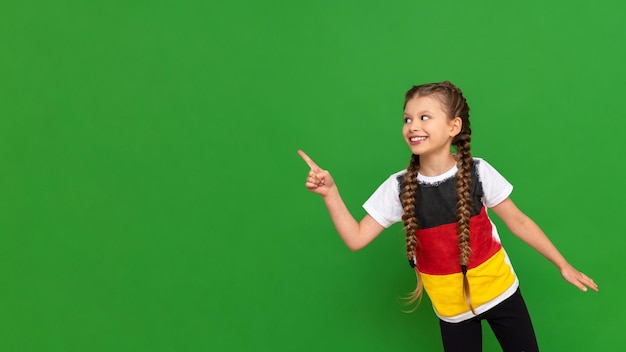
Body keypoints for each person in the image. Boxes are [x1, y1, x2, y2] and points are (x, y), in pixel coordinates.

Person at [297, 81, 598, 352]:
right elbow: (356, 238)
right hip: (451, 310)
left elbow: (518, 221)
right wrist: (331, 193)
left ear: (453, 126)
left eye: (424, 117)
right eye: (407, 119)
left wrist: (562, 264)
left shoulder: (479, 171)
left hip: (502, 293)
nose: (413, 126)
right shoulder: (398, 188)